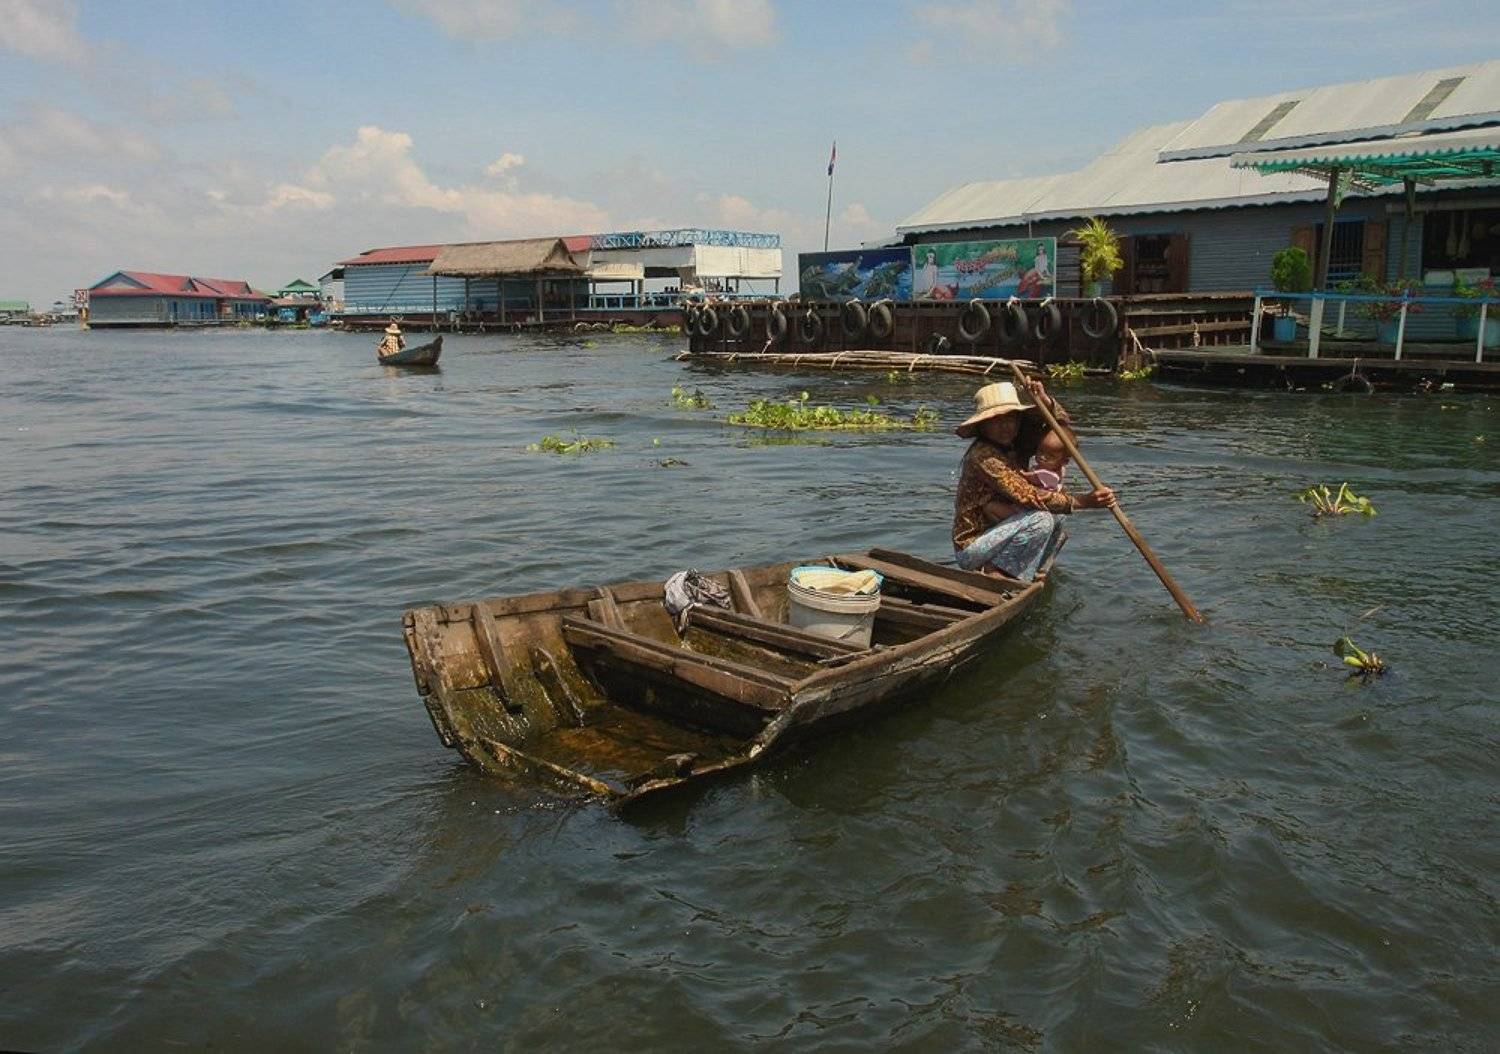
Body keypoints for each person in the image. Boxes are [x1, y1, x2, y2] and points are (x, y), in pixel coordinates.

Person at [952, 380, 1115, 582]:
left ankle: (1032, 572)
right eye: (996, 420)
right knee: (1042, 518)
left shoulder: (1017, 443)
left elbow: (1061, 426)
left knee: (1058, 515)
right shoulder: (984, 456)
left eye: (1011, 419)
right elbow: (1027, 495)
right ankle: (995, 570)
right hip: (974, 547)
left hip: (1003, 531)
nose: (1005, 426)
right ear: (983, 426)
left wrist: (1044, 400)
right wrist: (1083, 502)